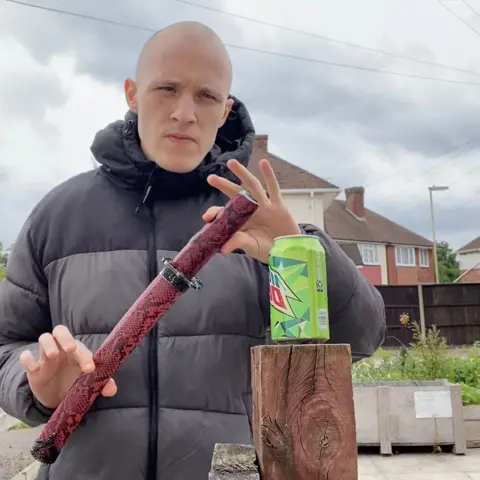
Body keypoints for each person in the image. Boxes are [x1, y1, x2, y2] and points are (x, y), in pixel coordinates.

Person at [0, 21, 386, 480]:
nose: (185, 112)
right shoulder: (59, 216)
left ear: (225, 111)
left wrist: (296, 249)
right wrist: (38, 387)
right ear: (132, 93)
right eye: (166, 88)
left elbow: (361, 338)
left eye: (205, 96)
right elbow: (7, 344)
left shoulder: (256, 219)